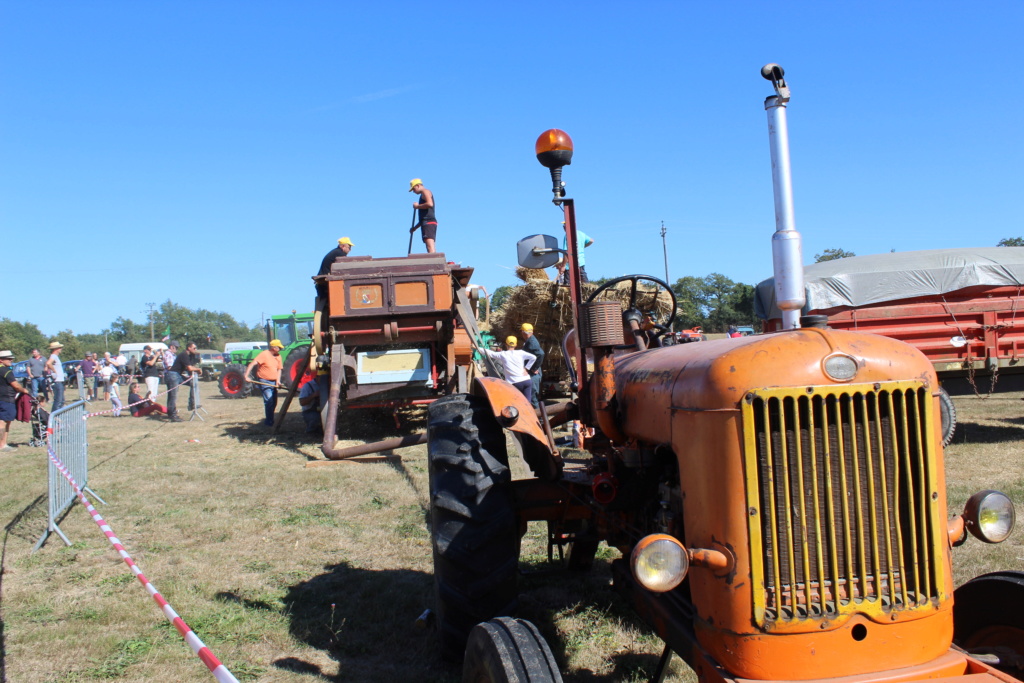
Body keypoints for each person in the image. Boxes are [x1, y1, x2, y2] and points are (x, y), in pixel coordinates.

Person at [482, 336, 537, 404]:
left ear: (506, 344)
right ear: (516, 345)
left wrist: (477, 347)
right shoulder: (521, 352)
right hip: (527, 381)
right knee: (527, 404)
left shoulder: (503, 354)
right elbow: (533, 357)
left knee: (514, 403)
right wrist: (526, 368)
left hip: (514, 383)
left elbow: (491, 353)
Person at [246, 339, 285, 426]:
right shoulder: (264, 354)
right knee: (269, 401)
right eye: (279, 347)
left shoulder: (278, 356)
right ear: (274, 347)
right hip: (264, 381)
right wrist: (246, 376)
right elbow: (252, 364)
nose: (280, 349)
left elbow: (279, 369)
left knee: (274, 402)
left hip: (274, 382)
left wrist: (278, 381)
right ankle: (269, 422)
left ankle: (270, 418)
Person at [0, 350, 33, 452]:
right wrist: (24, 390)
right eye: (8, 359)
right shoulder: (6, 371)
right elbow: (16, 385)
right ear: (1, 360)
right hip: (6, 399)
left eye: (11, 358)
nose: (11, 360)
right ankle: (2, 444)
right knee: (4, 422)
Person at [170, 342, 203, 412]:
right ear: (189, 348)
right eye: (194, 348)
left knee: (192, 382)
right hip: (173, 375)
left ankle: (192, 404)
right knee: (173, 396)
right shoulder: (183, 355)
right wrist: (198, 369)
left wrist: (192, 374)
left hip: (178, 375)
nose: (195, 349)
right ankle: (172, 414)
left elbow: (190, 367)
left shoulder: (190, 356)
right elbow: (190, 368)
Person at [519, 323, 545, 408]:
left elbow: (541, 354)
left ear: (523, 332)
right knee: (531, 394)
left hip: (533, 374)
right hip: (531, 372)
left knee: (533, 395)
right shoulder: (530, 341)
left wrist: (534, 368)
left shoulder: (532, 342)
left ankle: (539, 417)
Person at [409, 179, 438, 253]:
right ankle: (433, 259)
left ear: (418, 186)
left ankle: (433, 262)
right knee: (428, 246)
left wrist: (417, 206)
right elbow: (423, 218)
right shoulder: (423, 194)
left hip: (428, 222)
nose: (413, 191)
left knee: (430, 246)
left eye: (413, 189)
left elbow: (430, 204)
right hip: (426, 222)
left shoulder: (425, 192)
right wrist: (415, 228)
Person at [162, 341, 184, 422]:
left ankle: (170, 413)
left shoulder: (172, 355)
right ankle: (173, 415)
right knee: (173, 396)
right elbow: (169, 367)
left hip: (172, 375)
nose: (177, 349)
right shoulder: (168, 354)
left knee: (172, 396)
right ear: (172, 347)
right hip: (171, 376)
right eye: (176, 347)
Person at [45, 341, 65, 411]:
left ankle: (58, 415)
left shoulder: (55, 356)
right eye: (60, 348)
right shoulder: (53, 356)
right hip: (57, 381)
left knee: (61, 400)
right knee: (59, 400)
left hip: (59, 380)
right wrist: (54, 371)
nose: (61, 349)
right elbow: (48, 363)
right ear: (56, 349)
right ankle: (54, 416)